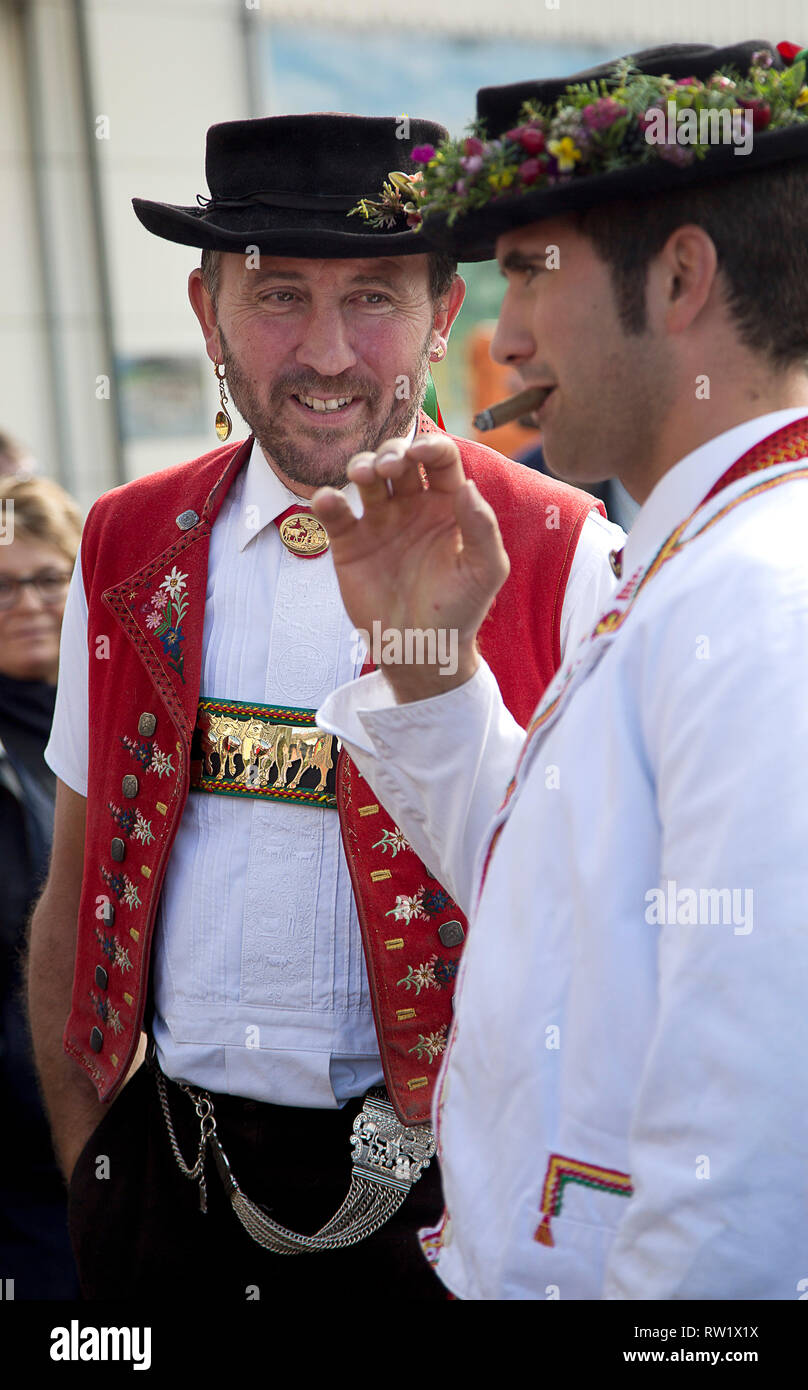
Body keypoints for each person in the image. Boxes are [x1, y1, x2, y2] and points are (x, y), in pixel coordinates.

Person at [26, 113, 622, 1300]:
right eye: (279, 295)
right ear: (207, 313)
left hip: (455, 1211)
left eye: (375, 299)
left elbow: (606, 944)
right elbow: (73, 892)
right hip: (171, 1195)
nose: (330, 354)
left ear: (444, 312)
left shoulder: (564, 551)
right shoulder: (127, 541)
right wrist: (96, 1177)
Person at [314, 40, 808, 1298]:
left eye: (532, 272)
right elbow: (560, 900)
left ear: (682, 277)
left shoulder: (759, 591)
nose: (505, 334)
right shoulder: (703, 546)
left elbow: (749, 1148)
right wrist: (426, 655)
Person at [0, 475, 81, 1297]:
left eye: (50, 578)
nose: (28, 602)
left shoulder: (130, 729)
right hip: (19, 1155)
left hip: (133, 1128)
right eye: (1, 584)